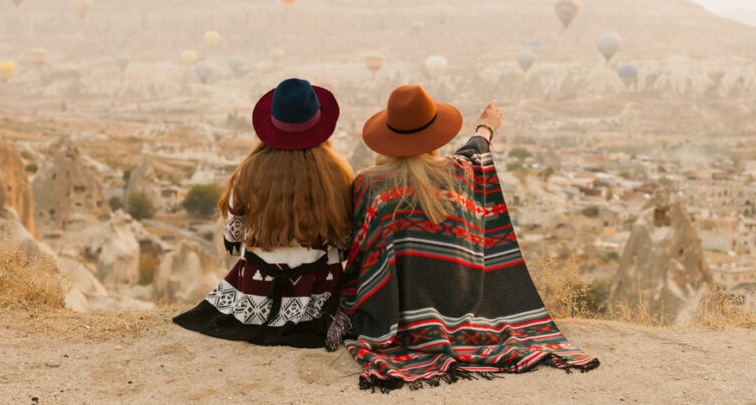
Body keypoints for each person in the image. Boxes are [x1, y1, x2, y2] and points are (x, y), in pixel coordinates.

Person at [328, 85, 599, 390]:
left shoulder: (369, 185)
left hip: (390, 314)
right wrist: (486, 127)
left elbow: (361, 253)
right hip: (459, 305)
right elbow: (474, 153)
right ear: (434, 135)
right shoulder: (460, 174)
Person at [173, 78, 353, 348]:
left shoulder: (247, 173)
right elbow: (346, 241)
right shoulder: (337, 175)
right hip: (318, 296)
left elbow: (232, 239)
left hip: (256, 295)